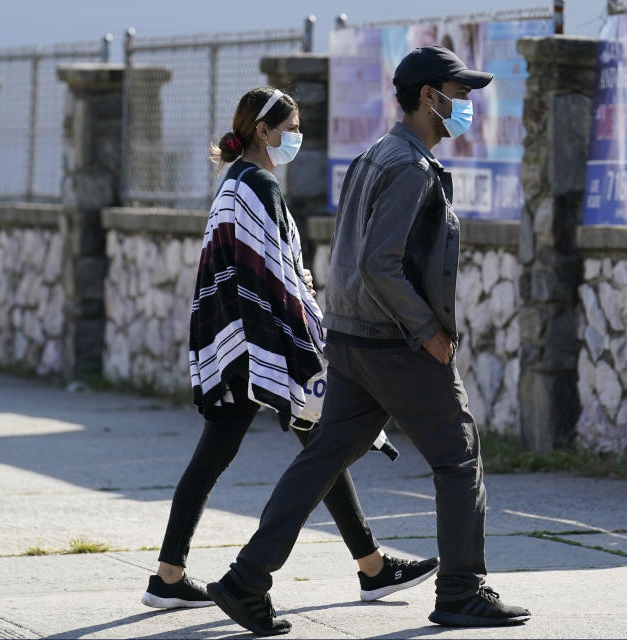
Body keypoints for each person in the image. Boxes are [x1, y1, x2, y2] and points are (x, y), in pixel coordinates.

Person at [205, 47, 531, 636]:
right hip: (394, 342)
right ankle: (462, 589)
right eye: (458, 95)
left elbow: (357, 255)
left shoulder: (376, 155)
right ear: (429, 96)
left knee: (323, 459)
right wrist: (427, 330)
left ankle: (246, 580)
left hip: (353, 338)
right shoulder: (407, 166)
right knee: (459, 459)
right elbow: (382, 263)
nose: (465, 106)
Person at [139, 86, 438, 611]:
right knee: (315, 448)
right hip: (261, 344)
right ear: (264, 131)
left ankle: (169, 576)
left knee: (272, 451)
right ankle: (369, 569)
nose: (297, 137)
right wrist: (308, 336)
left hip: (237, 339)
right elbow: (275, 276)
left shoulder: (235, 182)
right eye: (292, 128)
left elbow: (253, 266)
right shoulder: (257, 184)